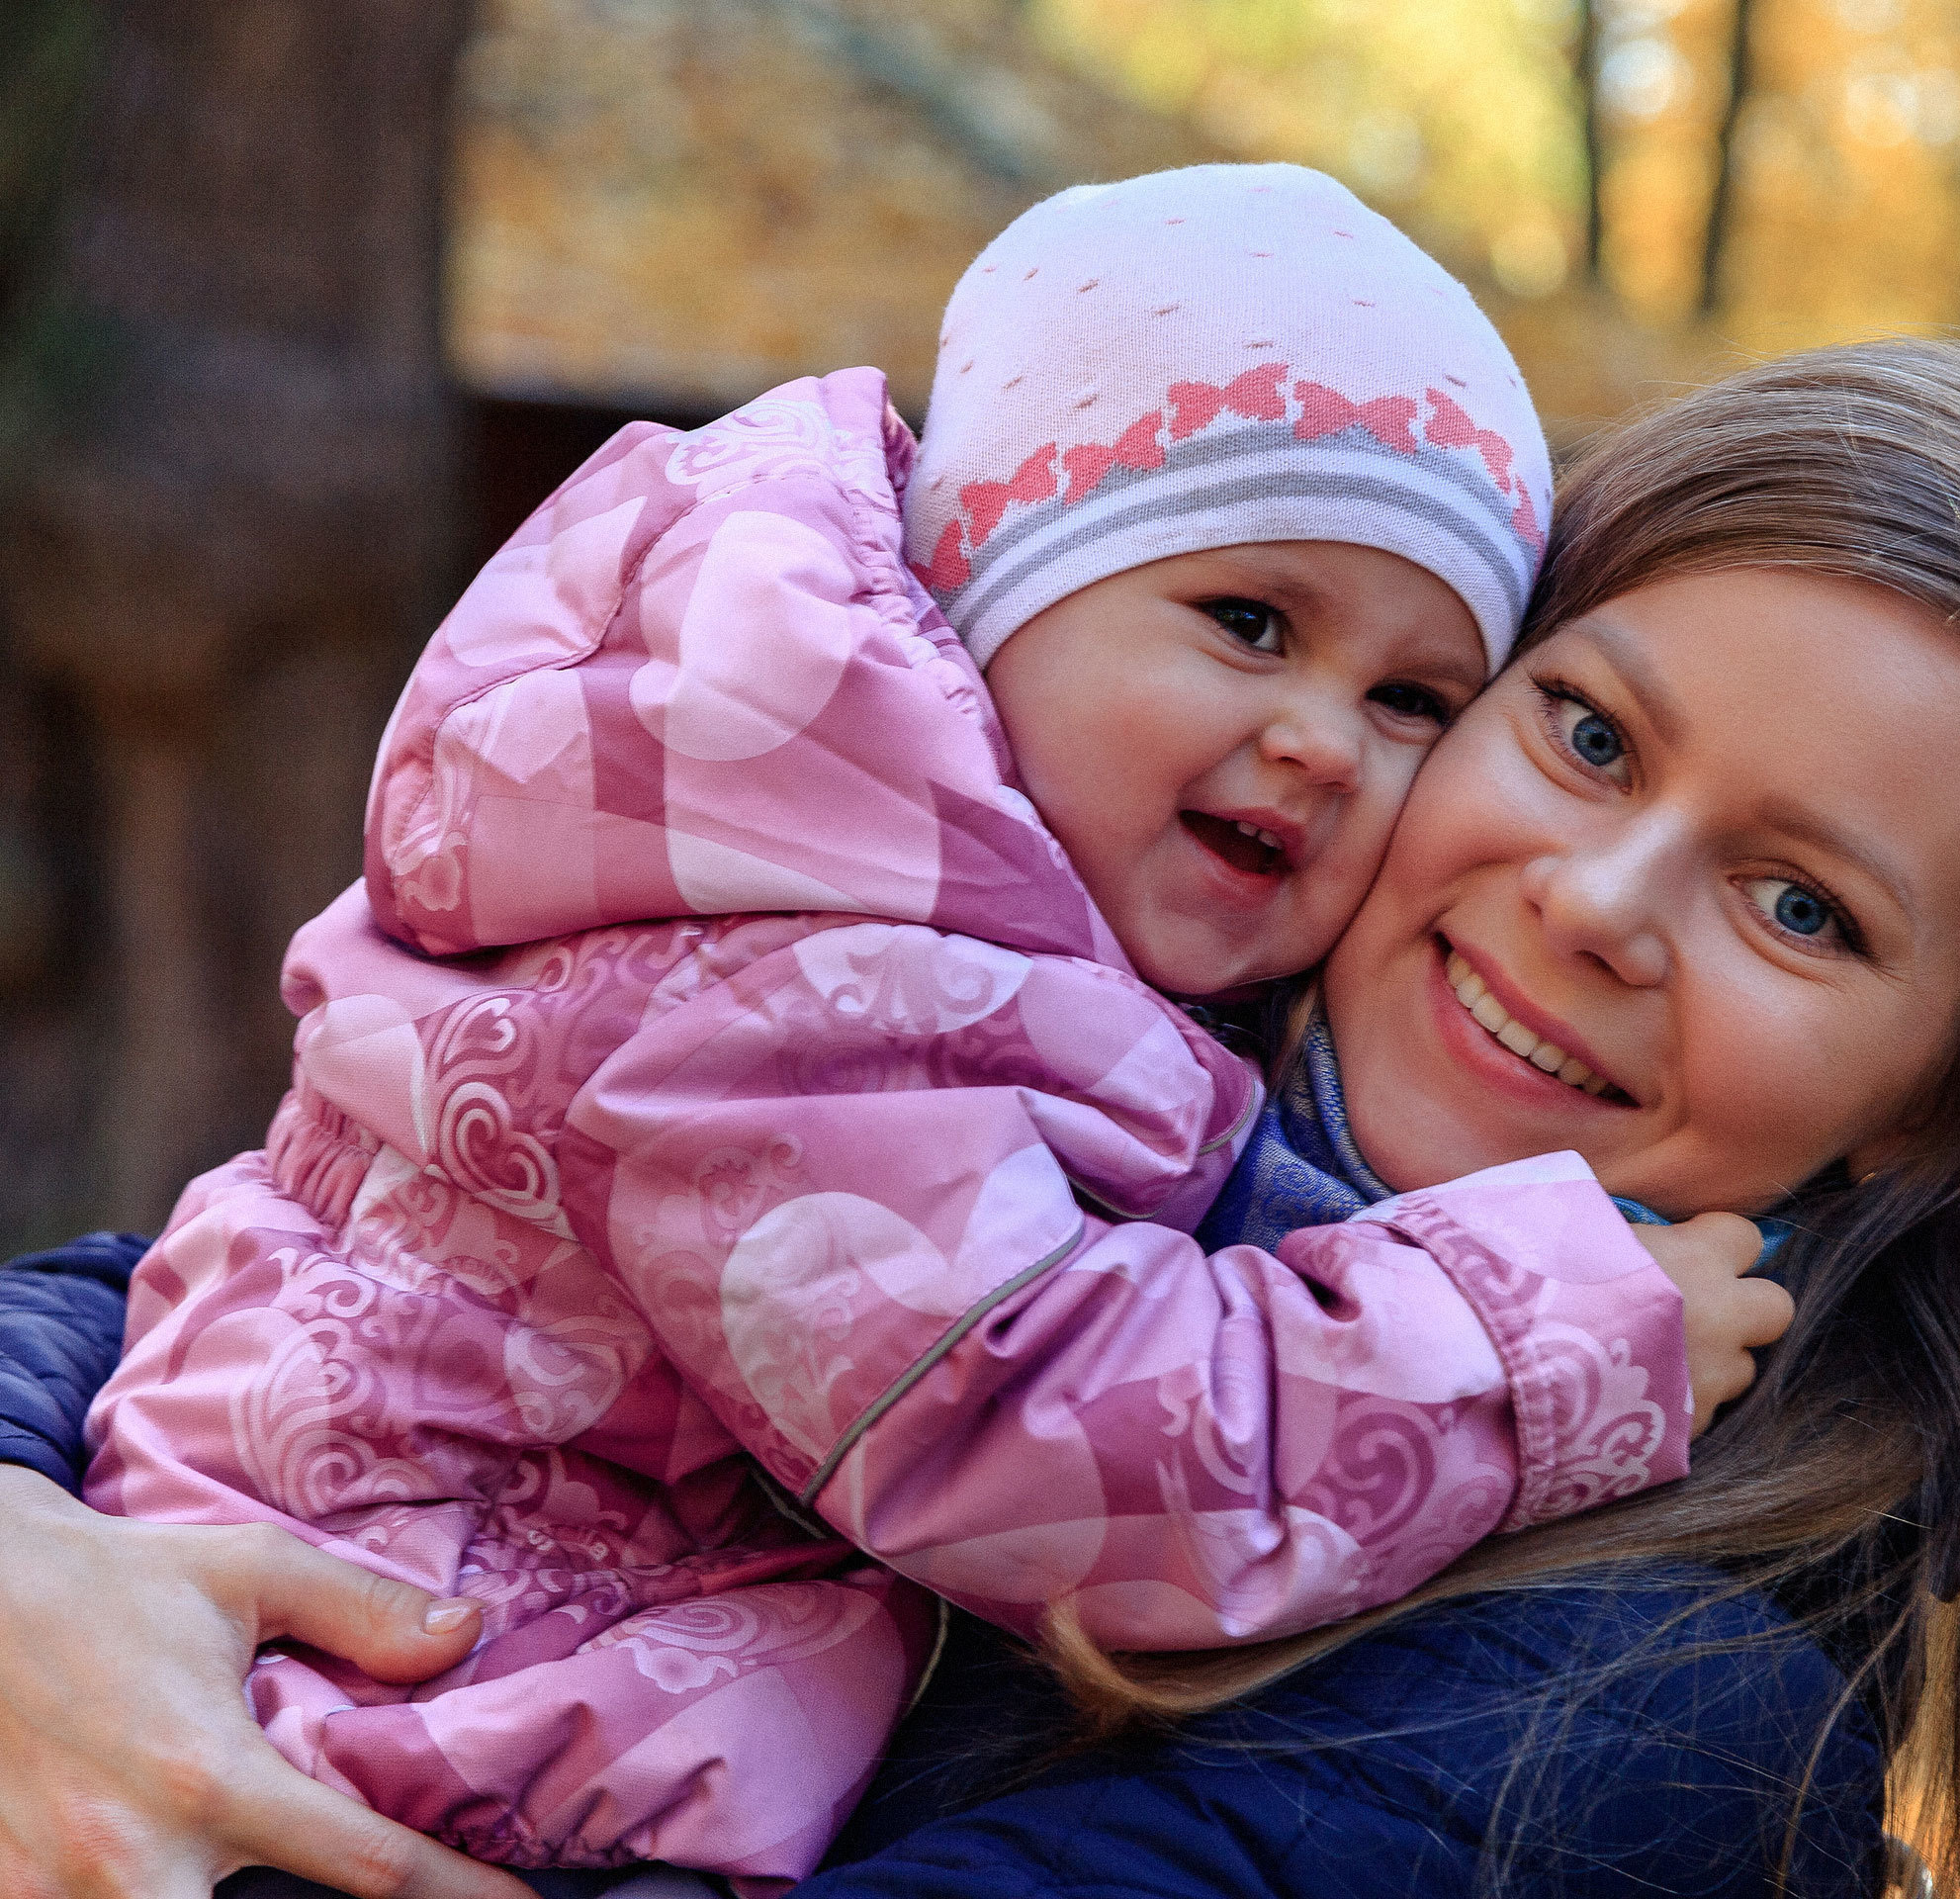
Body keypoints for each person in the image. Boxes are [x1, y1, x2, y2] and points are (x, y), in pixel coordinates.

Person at [0, 339, 1960, 1899]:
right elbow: (257, 1284)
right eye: (1585, 732)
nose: (1594, 902)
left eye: (1800, 904)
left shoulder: (1643, 1723)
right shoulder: (1067, 1095)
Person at [65, 163, 1783, 1896]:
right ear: (979, 599)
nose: (1326, 740)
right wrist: (1527, 1337)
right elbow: (1025, 1430)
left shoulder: (899, 901)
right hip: (379, 1703)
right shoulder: (812, 975)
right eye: (1249, 623)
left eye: (1413, 697)